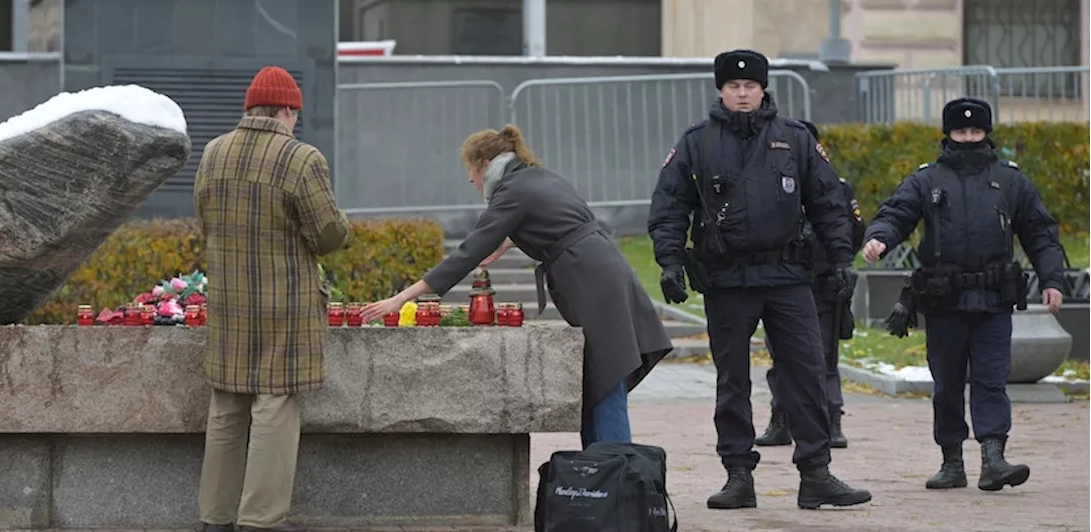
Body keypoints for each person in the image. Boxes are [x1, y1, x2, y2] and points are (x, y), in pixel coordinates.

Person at [647, 48, 872, 511]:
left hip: (789, 277)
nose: (743, 93)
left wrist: (842, 259)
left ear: (764, 88)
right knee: (733, 381)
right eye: (734, 86)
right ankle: (737, 476)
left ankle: (816, 474)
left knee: (807, 374)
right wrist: (669, 261)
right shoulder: (698, 142)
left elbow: (828, 201)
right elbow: (670, 205)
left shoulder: (794, 138)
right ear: (721, 90)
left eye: (750, 86)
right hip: (727, 279)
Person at [359, 123, 673, 449]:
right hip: (601, 270)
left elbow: (468, 253)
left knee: (607, 375)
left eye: (470, 170)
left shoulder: (511, 191)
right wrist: (511, 240)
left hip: (590, 278)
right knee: (602, 375)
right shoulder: (535, 177)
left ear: (484, 164)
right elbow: (555, 219)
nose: (470, 180)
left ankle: (615, 476)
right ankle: (602, 472)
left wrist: (402, 297)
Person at [862, 97, 1066, 492]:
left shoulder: (1009, 180)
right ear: (948, 134)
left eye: (975, 131)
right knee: (948, 384)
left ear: (987, 133)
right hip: (945, 301)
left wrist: (1052, 280)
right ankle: (951, 461)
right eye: (961, 131)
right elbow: (896, 213)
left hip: (993, 300)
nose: (969, 138)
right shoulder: (928, 179)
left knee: (991, 380)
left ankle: (994, 458)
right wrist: (878, 239)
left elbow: (1040, 232)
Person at [193, 65, 350, 532]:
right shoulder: (301, 159)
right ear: (286, 110)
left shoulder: (213, 153)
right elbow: (327, 234)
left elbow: (202, 221)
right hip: (284, 304)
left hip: (228, 301)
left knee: (226, 406)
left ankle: (214, 517)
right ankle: (260, 520)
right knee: (274, 405)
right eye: (295, 114)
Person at [755, 120, 866, 449]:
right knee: (781, 355)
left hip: (821, 284)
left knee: (823, 357)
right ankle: (781, 418)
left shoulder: (837, 187)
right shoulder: (770, 186)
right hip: (783, 280)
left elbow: (853, 232)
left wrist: (822, 249)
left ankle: (831, 418)